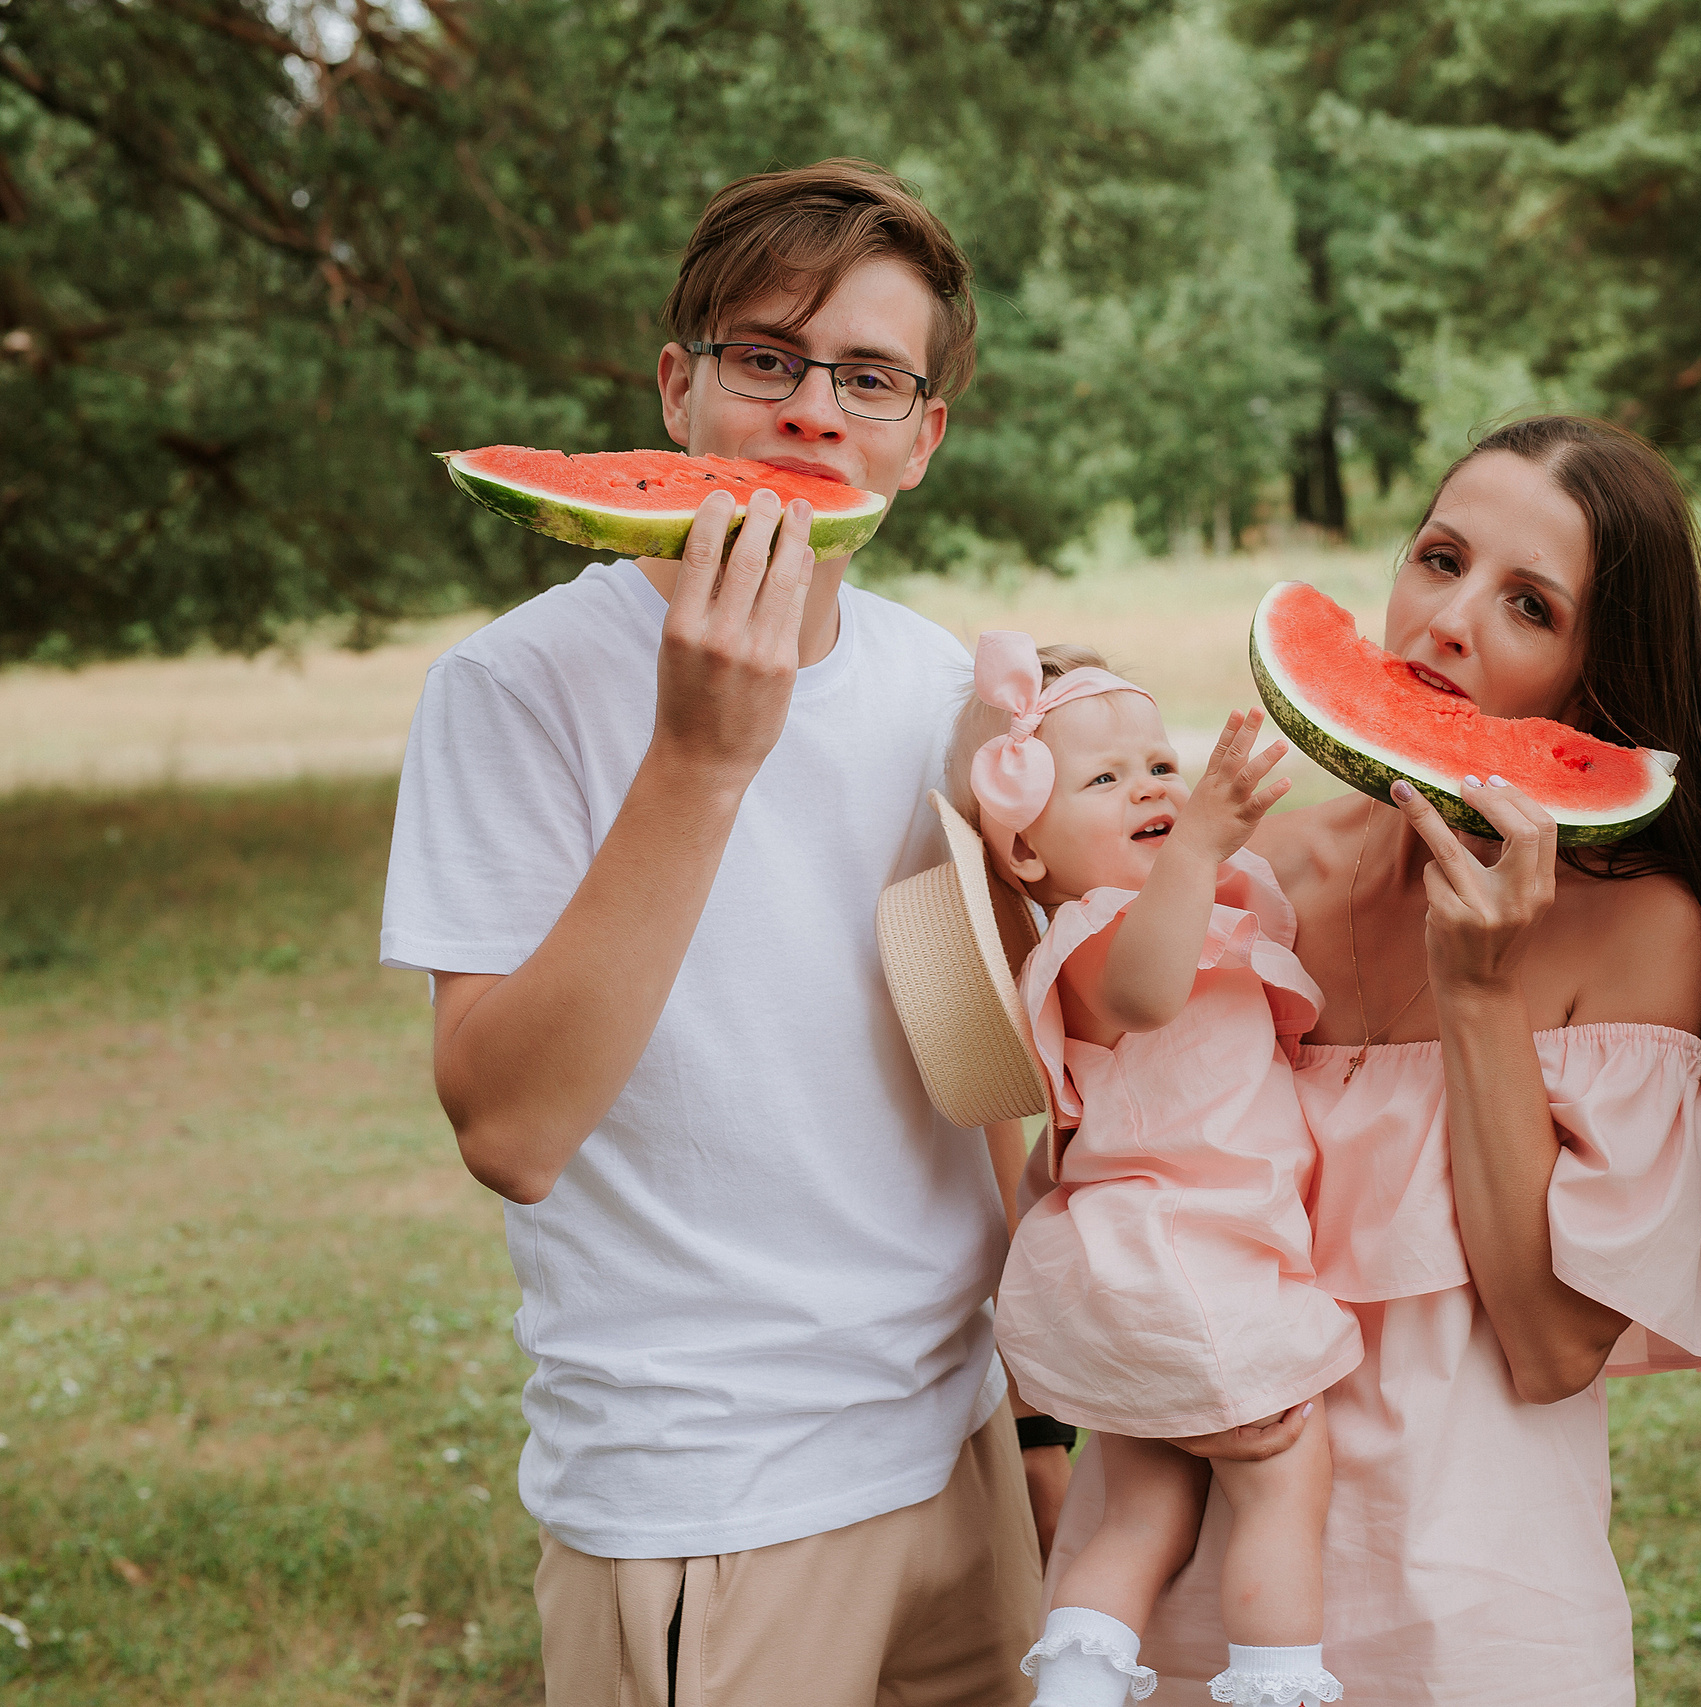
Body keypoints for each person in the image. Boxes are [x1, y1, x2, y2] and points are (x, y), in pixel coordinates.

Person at [380, 160, 1053, 1706]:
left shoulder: (931, 680)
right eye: (768, 356)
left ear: (922, 437)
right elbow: (510, 1124)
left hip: (959, 1451)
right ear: (679, 389)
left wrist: (1038, 1421)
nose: (816, 411)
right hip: (712, 1494)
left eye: (871, 376)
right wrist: (700, 754)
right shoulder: (514, 689)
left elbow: (969, 1065)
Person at [1035, 415, 1701, 1703]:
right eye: (1439, 558)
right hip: (1192, 1579)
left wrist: (1479, 992)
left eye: (1528, 605)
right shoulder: (1258, 880)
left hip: (1471, 1611)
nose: (1448, 621)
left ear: (1593, 683)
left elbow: (1551, 1346)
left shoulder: (1644, 928)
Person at [951, 634, 1360, 1707]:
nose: (1148, 787)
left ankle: (1075, 1692)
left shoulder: (1194, 909)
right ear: (1026, 856)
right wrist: (1196, 846)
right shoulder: (1089, 939)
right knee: (1283, 1477)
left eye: (1159, 767)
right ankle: (1279, 1686)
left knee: (1142, 1511)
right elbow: (1148, 992)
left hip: (1137, 1276)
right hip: (1193, 1270)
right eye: (1102, 778)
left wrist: (1211, 860)